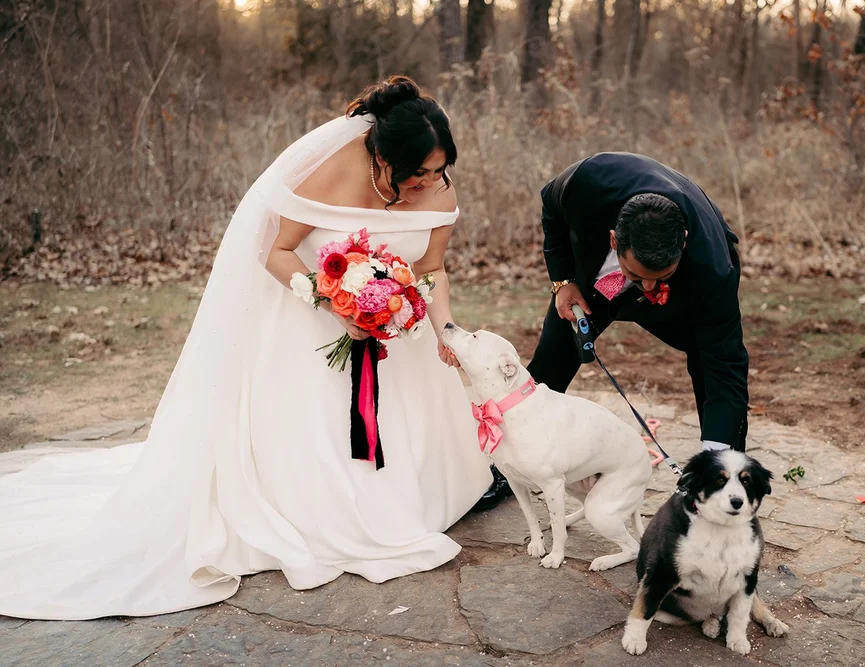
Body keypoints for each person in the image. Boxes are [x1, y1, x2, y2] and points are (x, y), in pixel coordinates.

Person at [0, 76, 492, 620]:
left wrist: (445, 330)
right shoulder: (329, 172)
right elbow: (276, 249)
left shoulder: (441, 192)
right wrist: (335, 304)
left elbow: (431, 269)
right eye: (415, 173)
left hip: (398, 341)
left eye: (438, 170)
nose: (429, 182)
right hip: (310, 331)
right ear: (380, 160)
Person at [474, 152, 749, 511]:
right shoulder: (589, 182)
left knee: (709, 364)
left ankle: (722, 478)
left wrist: (718, 465)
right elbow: (551, 205)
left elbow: (726, 373)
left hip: (685, 295)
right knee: (553, 358)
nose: (648, 289)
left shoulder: (715, 273)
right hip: (595, 284)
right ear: (614, 241)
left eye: (659, 277)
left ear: (683, 241)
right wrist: (563, 281)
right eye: (638, 277)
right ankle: (510, 468)